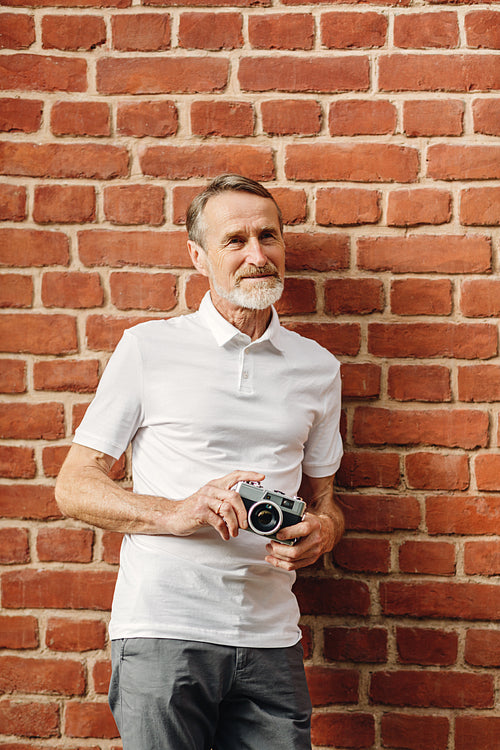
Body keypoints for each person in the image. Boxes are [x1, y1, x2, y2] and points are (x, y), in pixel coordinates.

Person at [55, 173, 344, 750]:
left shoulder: (318, 367)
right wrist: (177, 512)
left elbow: (326, 502)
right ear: (197, 256)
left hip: (271, 636)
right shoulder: (149, 348)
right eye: (234, 241)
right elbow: (73, 486)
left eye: (269, 237)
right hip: (164, 630)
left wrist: (322, 534)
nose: (257, 256)